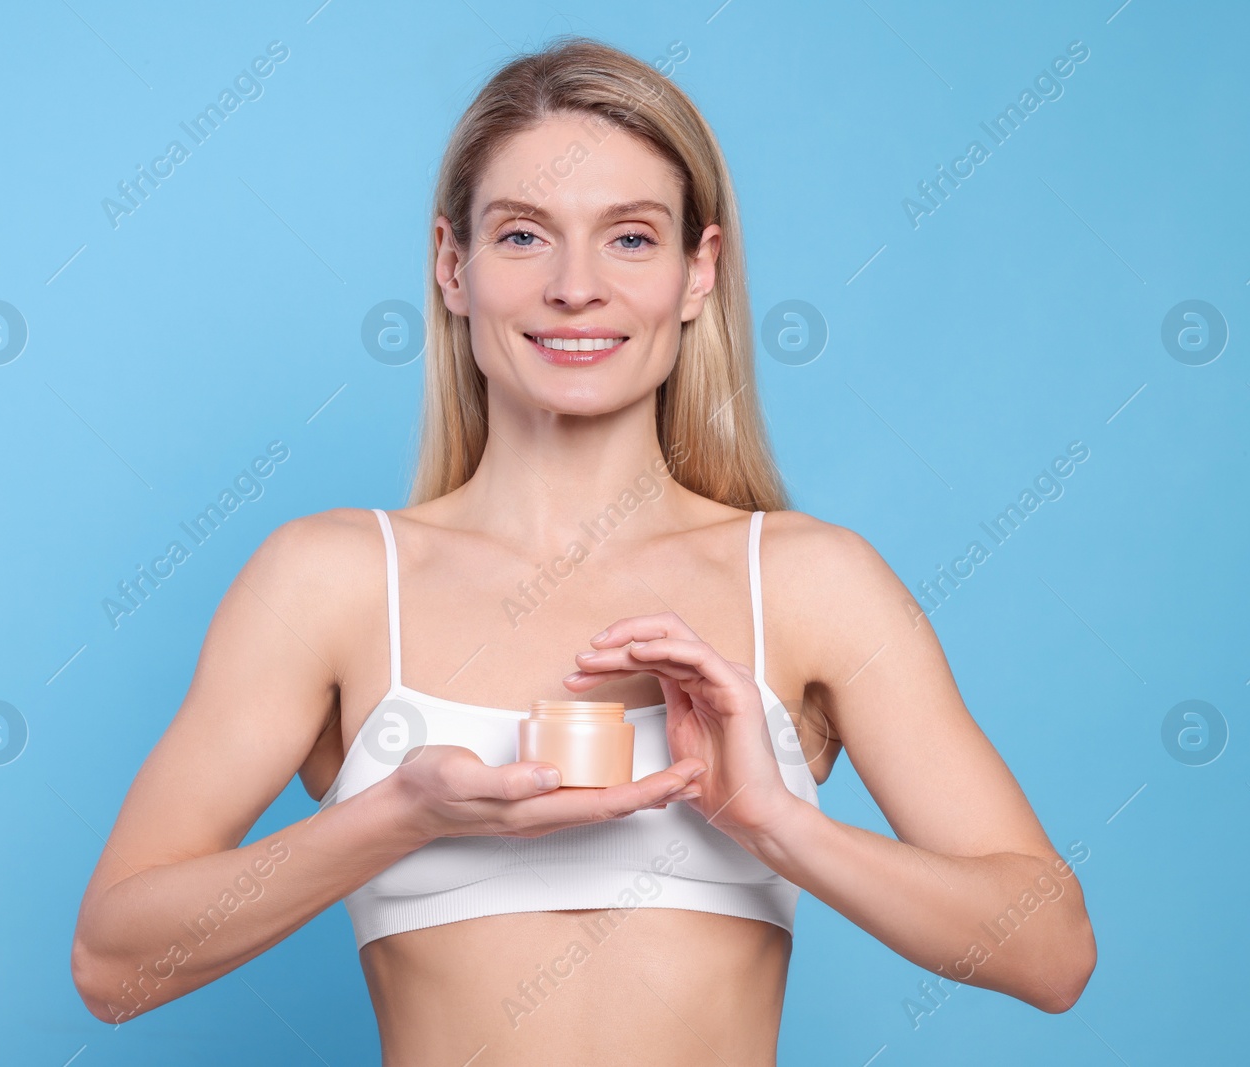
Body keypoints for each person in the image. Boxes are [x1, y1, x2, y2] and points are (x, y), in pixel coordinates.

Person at [69, 35, 1096, 1064]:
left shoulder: (808, 579)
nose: (575, 287)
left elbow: (1050, 952)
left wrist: (776, 823)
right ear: (451, 265)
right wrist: (401, 814)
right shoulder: (328, 579)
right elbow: (113, 965)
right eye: (522, 236)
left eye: (631, 239)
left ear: (700, 270)